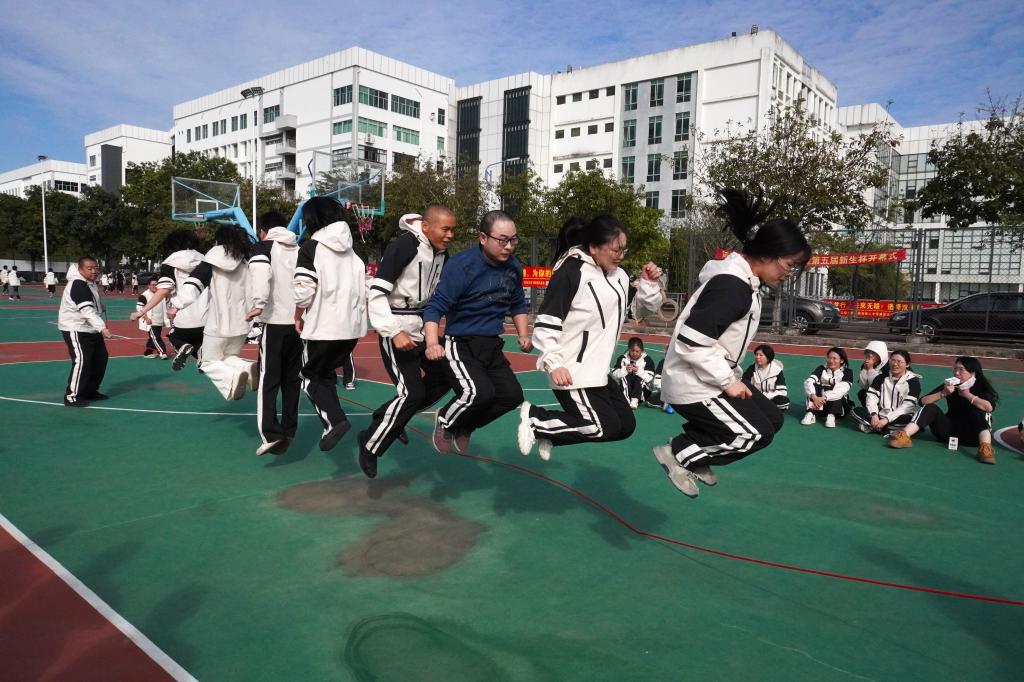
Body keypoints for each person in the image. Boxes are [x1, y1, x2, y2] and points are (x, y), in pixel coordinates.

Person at [653, 188, 809, 498]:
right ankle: (679, 453)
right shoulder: (732, 285)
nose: (789, 274)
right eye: (789, 265)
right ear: (768, 253)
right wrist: (728, 382)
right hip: (693, 384)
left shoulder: (743, 282)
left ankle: (696, 453)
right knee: (755, 433)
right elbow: (690, 342)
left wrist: (729, 378)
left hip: (709, 376)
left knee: (772, 419)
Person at [518, 215, 663, 460]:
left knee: (625, 425)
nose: (621, 255)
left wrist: (648, 284)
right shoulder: (571, 272)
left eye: (624, 249)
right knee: (602, 426)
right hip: (572, 370)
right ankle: (536, 420)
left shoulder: (619, 275)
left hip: (598, 371)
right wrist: (553, 362)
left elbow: (636, 310)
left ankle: (552, 433)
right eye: (616, 250)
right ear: (594, 247)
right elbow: (546, 323)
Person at [358, 206, 455, 477]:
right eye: (445, 229)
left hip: (424, 326)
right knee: (412, 393)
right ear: (426, 226)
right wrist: (393, 331)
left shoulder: (442, 254)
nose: (450, 235)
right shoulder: (404, 246)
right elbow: (376, 293)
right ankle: (369, 444)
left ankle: (388, 417)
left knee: (446, 375)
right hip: (397, 325)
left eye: (453, 230)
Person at [423, 210, 531, 455]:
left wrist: (524, 335)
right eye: (502, 240)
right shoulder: (462, 266)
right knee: (478, 394)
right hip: (461, 343)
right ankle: (445, 420)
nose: (509, 246)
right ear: (483, 238)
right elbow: (435, 307)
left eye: (513, 240)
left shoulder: (513, 267)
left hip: (491, 344)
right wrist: (432, 343)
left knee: (511, 396)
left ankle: (466, 425)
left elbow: (517, 304)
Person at [294, 197, 367, 452]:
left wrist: (297, 315)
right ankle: (334, 421)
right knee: (325, 374)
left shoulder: (311, 247)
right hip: (351, 330)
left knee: (309, 376)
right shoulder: (353, 251)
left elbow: (304, 291)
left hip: (323, 328)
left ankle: (335, 421)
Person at [169, 225, 255, 400]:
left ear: (217, 242)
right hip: (242, 324)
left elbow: (193, 284)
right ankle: (246, 368)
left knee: (207, 362)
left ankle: (233, 378)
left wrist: (176, 305)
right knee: (228, 356)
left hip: (218, 324)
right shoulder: (246, 262)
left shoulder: (211, 260)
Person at [246, 211, 301, 456]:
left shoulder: (263, 247)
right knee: (292, 380)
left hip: (275, 322)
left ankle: (270, 433)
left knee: (268, 379)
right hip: (299, 323)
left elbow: (261, 274)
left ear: (263, 230)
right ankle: (289, 430)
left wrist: (258, 303)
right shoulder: (300, 248)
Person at [889, 356, 999, 464]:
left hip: (974, 437)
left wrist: (968, 395)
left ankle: (985, 449)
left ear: (973, 372)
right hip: (949, 432)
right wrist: (943, 393)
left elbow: (989, 407)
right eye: (955, 369)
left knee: (980, 411)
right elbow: (922, 401)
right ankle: (904, 436)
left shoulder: (981, 386)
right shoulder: (951, 385)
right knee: (930, 407)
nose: (956, 373)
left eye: (961, 369)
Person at [131, 230, 210, 371]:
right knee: (200, 345)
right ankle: (201, 356)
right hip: (208, 319)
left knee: (174, 336)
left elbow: (163, 290)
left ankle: (183, 346)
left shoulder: (171, 263)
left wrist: (142, 311)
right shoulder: (206, 261)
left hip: (184, 318)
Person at [57, 257, 112, 406]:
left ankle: (90, 390)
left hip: (90, 327)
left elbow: (90, 303)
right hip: (76, 327)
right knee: (82, 360)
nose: (94, 271)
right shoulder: (78, 284)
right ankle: (72, 396)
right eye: (90, 268)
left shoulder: (90, 283)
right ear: (80, 269)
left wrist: (99, 306)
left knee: (101, 358)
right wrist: (102, 328)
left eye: (96, 268)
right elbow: (87, 310)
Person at [852, 350, 920, 435]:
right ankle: (888, 430)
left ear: (907, 364)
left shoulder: (913, 382)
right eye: (893, 360)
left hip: (900, 417)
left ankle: (874, 427)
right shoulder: (881, 378)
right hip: (880, 415)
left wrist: (887, 419)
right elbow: (871, 397)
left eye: (899, 362)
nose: (895, 364)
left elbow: (907, 406)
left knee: (910, 421)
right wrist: (874, 415)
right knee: (856, 411)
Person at [801, 347, 853, 427]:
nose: (831, 361)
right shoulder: (821, 369)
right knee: (814, 386)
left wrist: (824, 397)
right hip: (819, 406)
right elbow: (809, 381)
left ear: (841, 360)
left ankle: (831, 416)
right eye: (829, 357)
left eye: (834, 358)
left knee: (837, 389)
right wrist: (814, 397)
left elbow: (842, 389)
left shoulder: (847, 372)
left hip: (839, 408)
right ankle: (811, 412)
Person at [611, 337, 659, 410]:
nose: (634, 353)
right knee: (625, 377)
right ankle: (626, 400)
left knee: (639, 377)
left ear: (642, 350)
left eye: (637, 351)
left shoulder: (647, 360)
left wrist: (638, 371)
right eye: (632, 351)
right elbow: (614, 375)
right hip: (624, 391)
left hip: (641, 393)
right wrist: (625, 370)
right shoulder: (622, 358)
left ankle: (635, 400)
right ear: (629, 349)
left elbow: (650, 379)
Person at [742, 343, 789, 411]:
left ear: (768, 358)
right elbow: (744, 383)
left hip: (770, 398)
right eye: (756, 354)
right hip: (755, 397)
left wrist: (766, 396)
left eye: (761, 355)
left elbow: (782, 392)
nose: (757, 357)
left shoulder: (777, 371)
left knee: (784, 402)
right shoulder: (752, 368)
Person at [136, 276, 168, 359]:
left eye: (156, 285)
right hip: (150, 321)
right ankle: (162, 352)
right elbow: (139, 308)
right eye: (153, 285)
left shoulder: (161, 294)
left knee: (153, 337)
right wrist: (146, 318)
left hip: (159, 320)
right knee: (156, 337)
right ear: (148, 285)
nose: (155, 286)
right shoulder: (144, 296)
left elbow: (166, 305)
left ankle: (148, 353)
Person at [857, 340, 889, 406]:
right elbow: (863, 386)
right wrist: (866, 369)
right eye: (868, 352)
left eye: (874, 353)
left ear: (881, 354)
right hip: (873, 395)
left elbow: (878, 387)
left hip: (887, 397)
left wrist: (870, 370)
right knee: (862, 393)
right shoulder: (865, 365)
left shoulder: (888, 369)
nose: (870, 355)